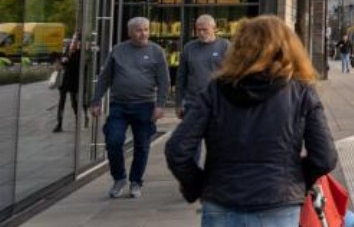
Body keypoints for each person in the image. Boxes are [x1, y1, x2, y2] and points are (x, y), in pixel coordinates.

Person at [165, 15, 337, 227]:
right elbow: (325, 157)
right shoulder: (301, 93)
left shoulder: (215, 91)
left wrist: (199, 186)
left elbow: (177, 149)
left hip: (222, 208)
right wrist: (296, 181)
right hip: (277, 209)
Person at [90, 17, 169, 198]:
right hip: (119, 106)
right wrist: (96, 101)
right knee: (113, 141)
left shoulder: (157, 52)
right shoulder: (118, 50)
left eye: (146, 29)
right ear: (130, 32)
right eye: (139, 30)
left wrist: (160, 105)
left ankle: (136, 181)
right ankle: (119, 178)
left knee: (142, 146)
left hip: (145, 106)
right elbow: (105, 78)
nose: (143, 33)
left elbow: (164, 81)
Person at [176, 14, 229, 119]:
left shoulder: (225, 46)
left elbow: (233, 74)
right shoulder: (189, 48)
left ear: (214, 29)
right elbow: (181, 77)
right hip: (193, 103)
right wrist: (179, 103)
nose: (201, 33)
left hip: (217, 102)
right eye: (198, 30)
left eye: (205, 29)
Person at [54, 32, 82, 132]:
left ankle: (78, 122)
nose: (73, 41)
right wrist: (61, 60)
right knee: (61, 101)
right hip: (65, 79)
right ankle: (59, 124)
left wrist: (68, 59)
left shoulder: (80, 52)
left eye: (75, 40)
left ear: (79, 42)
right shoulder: (67, 49)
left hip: (74, 80)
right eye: (73, 39)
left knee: (74, 103)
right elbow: (62, 60)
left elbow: (79, 65)